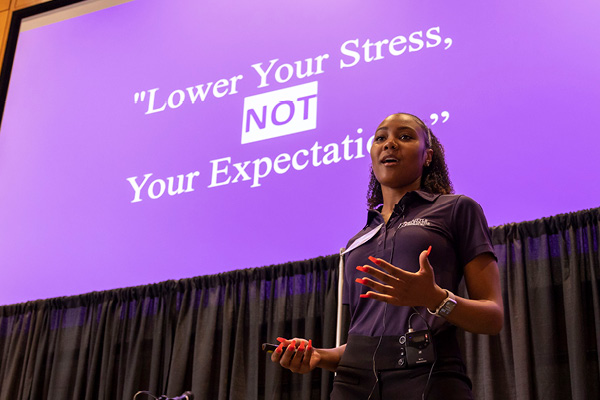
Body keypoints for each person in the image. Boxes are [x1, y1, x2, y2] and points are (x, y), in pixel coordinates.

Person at [271, 113, 504, 399]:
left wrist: (436, 299)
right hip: (352, 384)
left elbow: (492, 318)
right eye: (381, 138)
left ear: (427, 156)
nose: (389, 143)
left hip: (428, 376)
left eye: (405, 137)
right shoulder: (356, 243)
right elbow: (366, 342)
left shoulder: (457, 209)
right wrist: (320, 356)